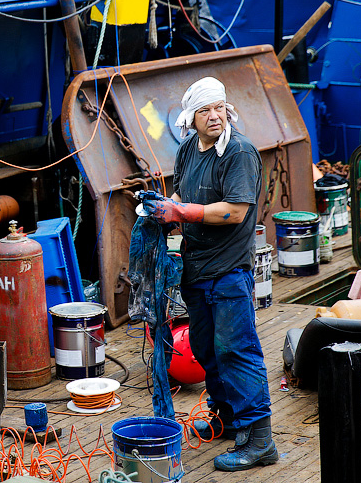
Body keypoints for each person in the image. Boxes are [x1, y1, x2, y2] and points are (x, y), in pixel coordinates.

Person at [142, 77, 278, 472]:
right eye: (206, 110)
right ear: (192, 117)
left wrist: (182, 213)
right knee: (204, 349)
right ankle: (227, 417)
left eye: (220, 106)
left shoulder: (239, 153)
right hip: (196, 269)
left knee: (236, 350)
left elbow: (235, 211)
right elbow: (184, 195)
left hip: (229, 271)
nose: (215, 115)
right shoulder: (187, 150)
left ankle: (259, 439)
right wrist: (165, 208)